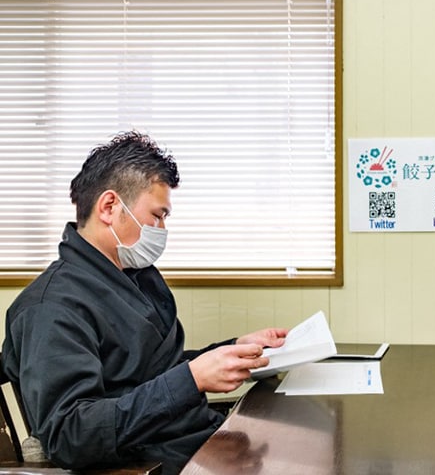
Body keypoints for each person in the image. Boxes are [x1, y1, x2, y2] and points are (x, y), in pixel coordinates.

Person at [2, 131, 289, 475]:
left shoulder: (136, 276)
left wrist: (233, 351)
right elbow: (70, 434)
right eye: (157, 215)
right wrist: (193, 378)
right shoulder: (50, 308)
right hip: (154, 462)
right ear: (109, 207)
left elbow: (152, 373)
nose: (162, 228)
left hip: (197, 437)